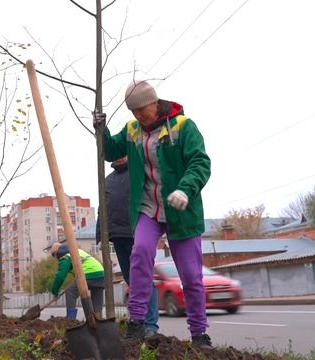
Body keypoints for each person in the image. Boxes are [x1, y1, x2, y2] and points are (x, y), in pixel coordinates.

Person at [93, 80, 212, 348]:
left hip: (182, 208)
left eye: (141, 110)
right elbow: (111, 151)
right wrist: (101, 129)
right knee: (140, 254)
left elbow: (200, 162)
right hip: (148, 207)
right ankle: (137, 322)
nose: (137, 116)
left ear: (154, 103)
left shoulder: (183, 126)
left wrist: (186, 188)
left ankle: (199, 334)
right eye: (132, 111)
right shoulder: (133, 130)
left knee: (191, 276)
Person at [95, 156, 160, 336]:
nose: (119, 157)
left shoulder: (138, 172)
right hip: (117, 236)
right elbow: (103, 207)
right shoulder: (107, 179)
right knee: (131, 280)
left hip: (137, 232)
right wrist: (100, 234)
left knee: (145, 279)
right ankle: (137, 323)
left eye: (123, 153)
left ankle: (151, 325)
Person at [49, 243, 105, 320]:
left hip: (89, 273)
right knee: (97, 294)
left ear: (56, 252)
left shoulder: (65, 255)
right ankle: (98, 319)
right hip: (101, 273)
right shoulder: (76, 251)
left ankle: (70, 319)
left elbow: (60, 276)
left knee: (70, 292)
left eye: (54, 255)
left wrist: (55, 292)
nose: (56, 258)